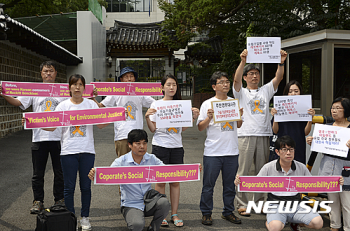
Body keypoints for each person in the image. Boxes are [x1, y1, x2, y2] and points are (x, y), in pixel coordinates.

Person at [42, 74, 110, 231]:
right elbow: (52, 126)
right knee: (69, 187)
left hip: (87, 151)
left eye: (80, 84)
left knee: (86, 186)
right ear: (69, 88)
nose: (77, 87)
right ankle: (70, 218)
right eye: (74, 84)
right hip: (68, 152)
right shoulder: (63, 106)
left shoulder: (91, 105)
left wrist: (119, 116)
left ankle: (85, 217)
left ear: (84, 88)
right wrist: (34, 122)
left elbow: (100, 125)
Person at [235, 135, 344, 231]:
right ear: (277, 152)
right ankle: (270, 221)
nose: (288, 153)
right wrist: (240, 182)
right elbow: (255, 184)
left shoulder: (301, 167)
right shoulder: (268, 167)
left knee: (318, 223)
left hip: (296, 205)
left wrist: (336, 182)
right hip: (275, 205)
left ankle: (296, 222)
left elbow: (314, 185)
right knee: (275, 227)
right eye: (284, 149)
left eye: (291, 150)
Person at [0, 61, 65, 214]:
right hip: (39, 138)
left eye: (51, 71)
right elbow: (18, 102)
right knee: (38, 173)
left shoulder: (63, 90)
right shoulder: (33, 90)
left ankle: (60, 200)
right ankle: (38, 201)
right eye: (45, 71)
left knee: (60, 172)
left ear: (56, 73)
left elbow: (75, 104)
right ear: (41, 74)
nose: (48, 73)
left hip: (60, 138)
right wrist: (3, 94)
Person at [233, 49, 288, 216]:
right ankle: (242, 203)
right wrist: (242, 61)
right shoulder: (240, 92)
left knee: (262, 170)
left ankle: (259, 203)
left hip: (264, 135)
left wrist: (281, 62)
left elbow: (278, 78)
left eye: (256, 73)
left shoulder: (266, 90)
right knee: (243, 170)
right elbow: (235, 80)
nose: (254, 76)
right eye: (250, 74)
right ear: (245, 77)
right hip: (245, 134)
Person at [144, 74, 199, 227]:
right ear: (162, 87)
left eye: (174, 84)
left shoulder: (181, 105)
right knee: (160, 182)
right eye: (168, 84)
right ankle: (161, 214)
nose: (171, 87)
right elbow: (153, 129)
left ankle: (174, 214)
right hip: (160, 146)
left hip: (176, 148)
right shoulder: (156, 104)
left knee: (175, 182)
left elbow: (182, 129)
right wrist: (147, 117)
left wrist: (193, 117)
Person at [88, 129, 171, 231]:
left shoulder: (151, 158)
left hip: (149, 200)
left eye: (144, 143)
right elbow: (107, 176)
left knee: (164, 203)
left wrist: (194, 170)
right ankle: (134, 219)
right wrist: (95, 175)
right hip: (131, 204)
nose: (142, 146)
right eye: (138, 143)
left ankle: (153, 227)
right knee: (137, 225)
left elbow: (168, 172)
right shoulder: (121, 162)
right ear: (130, 145)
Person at [197, 71, 243, 226]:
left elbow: (239, 125)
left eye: (227, 82)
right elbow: (200, 128)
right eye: (222, 82)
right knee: (208, 185)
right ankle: (206, 213)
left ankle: (228, 212)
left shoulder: (233, 102)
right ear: (214, 86)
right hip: (213, 152)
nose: (225, 84)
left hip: (231, 151)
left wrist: (239, 116)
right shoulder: (207, 104)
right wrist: (209, 117)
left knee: (230, 185)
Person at [307, 97, 350, 231]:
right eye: (333, 108)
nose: (334, 111)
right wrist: (312, 142)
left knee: (347, 202)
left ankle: (348, 227)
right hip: (328, 165)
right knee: (332, 200)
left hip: (345, 167)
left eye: (338, 108)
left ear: (346, 110)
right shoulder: (325, 128)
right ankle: (334, 226)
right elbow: (320, 147)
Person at [95, 67, 155, 157]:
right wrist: (92, 97)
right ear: (121, 79)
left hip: (137, 136)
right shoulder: (115, 92)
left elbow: (155, 104)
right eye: (126, 77)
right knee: (123, 165)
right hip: (121, 135)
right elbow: (101, 106)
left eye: (131, 76)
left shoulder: (140, 92)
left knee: (138, 165)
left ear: (134, 79)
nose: (129, 79)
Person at [270, 80, 315, 164]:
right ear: (286, 93)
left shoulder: (305, 109)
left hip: (298, 144)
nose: (293, 93)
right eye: (290, 91)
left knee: (298, 169)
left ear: (300, 93)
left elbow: (305, 132)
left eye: (296, 91)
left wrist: (310, 119)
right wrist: (275, 117)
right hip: (282, 144)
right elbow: (275, 131)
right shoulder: (280, 107)